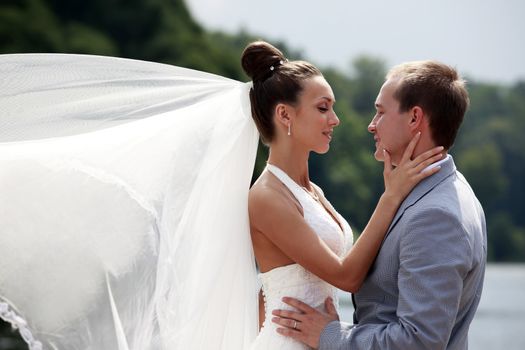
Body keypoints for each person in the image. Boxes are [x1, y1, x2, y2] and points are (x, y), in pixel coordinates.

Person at [242, 43, 445, 350]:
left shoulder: (313, 193)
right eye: (323, 108)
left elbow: (272, 289)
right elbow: (346, 277)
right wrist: (391, 196)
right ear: (284, 115)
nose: (335, 119)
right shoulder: (267, 196)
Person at [272, 60, 487, 349]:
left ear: (414, 119)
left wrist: (331, 335)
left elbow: (419, 341)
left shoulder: (435, 215)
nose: (371, 125)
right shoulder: (448, 190)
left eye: (380, 112)